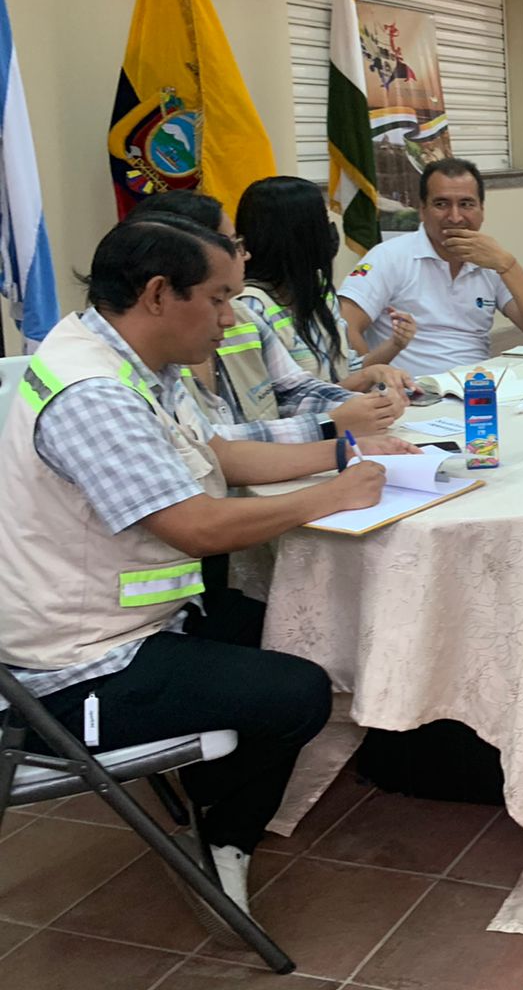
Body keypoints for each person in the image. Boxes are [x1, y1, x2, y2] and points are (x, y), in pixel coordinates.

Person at [0, 215, 388, 919]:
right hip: (76, 668)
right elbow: (195, 526)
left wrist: (345, 453)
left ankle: (216, 798)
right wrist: (331, 495)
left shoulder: (137, 361)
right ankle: (223, 837)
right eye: (218, 298)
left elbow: (216, 456)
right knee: (298, 690)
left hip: (141, 620)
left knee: (316, 625)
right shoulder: (94, 394)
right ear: (158, 294)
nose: (230, 318)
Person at [129, 191, 410, 445]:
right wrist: (330, 424)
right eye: (234, 244)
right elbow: (206, 443)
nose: (245, 254)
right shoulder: (143, 356)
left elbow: (294, 391)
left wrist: (371, 406)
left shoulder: (244, 316)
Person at [338, 157, 523, 376]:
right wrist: (373, 380)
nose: (455, 217)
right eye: (441, 204)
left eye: (466, 204)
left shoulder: (492, 261)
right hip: (411, 391)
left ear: (481, 210)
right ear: (422, 210)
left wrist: (508, 265)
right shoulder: (388, 257)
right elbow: (345, 327)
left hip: (475, 385)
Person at [236, 176, 415, 379]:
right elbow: (286, 396)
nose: (329, 230)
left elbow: (346, 370)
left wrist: (394, 345)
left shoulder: (319, 290)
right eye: (322, 221)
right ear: (298, 235)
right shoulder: (250, 307)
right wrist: (366, 380)